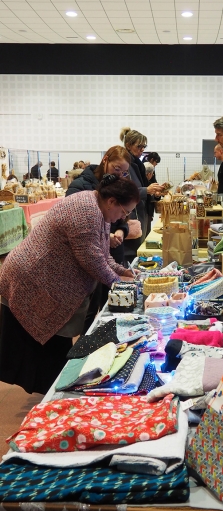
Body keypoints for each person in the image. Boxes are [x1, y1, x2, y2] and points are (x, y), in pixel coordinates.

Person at [0, 175, 139, 395]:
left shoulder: (97, 208)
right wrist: (122, 286)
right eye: (124, 211)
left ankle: (52, 392)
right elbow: (92, 260)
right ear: (112, 201)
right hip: (32, 281)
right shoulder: (86, 211)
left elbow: (101, 253)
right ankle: (52, 398)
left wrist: (124, 272)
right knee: (45, 347)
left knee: (51, 349)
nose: (123, 217)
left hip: (42, 279)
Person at [66, 145, 131, 331]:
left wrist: (121, 231)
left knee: (104, 304)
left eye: (124, 172)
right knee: (89, 308)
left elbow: (119, 220)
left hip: (103, 253)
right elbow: (89, 252)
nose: (120, 175)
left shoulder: (106, 198)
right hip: (75, 268)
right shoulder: (84, 196)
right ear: (105, 160)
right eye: (117, 169)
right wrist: (123, 285)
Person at [120, 127, 164, 263]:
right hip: (131, 216)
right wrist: (147, 190)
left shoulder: (137, 164)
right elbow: (126, 191)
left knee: (138, 253)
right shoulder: (125, 164)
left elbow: (141, 189)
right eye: (139, 146)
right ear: (128, 145)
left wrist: (155, 193)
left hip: (141, 214)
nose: (142, 150)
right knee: (132, 256)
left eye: (144, 147)